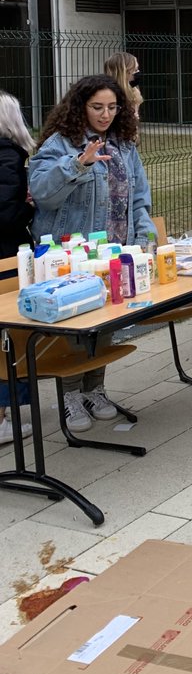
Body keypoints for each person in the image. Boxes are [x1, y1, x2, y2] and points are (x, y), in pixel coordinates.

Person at [30, 76, 154, 433]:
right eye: (97, 107)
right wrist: (77, 165)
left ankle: (95, 389)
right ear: (80, 106)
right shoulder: (60, 144)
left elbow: (138, 197)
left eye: (113, 108)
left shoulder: (124, 145)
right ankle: (69, 395)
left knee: (106, 324)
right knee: (75, 325)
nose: (105, 115)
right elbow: (41, 193)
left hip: (115, 250)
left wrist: (145, 233)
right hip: (72, 254)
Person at [0, 92, 35, 444]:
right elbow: (6, 215)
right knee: (8, 334)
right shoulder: (9, 156)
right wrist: (30, 207)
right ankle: (2, 415)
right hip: (5, 256)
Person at [104, 52, 143, 119]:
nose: (138, 72)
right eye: (135, 70)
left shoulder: (134, 91)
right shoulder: (110, 93)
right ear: (124, 72)